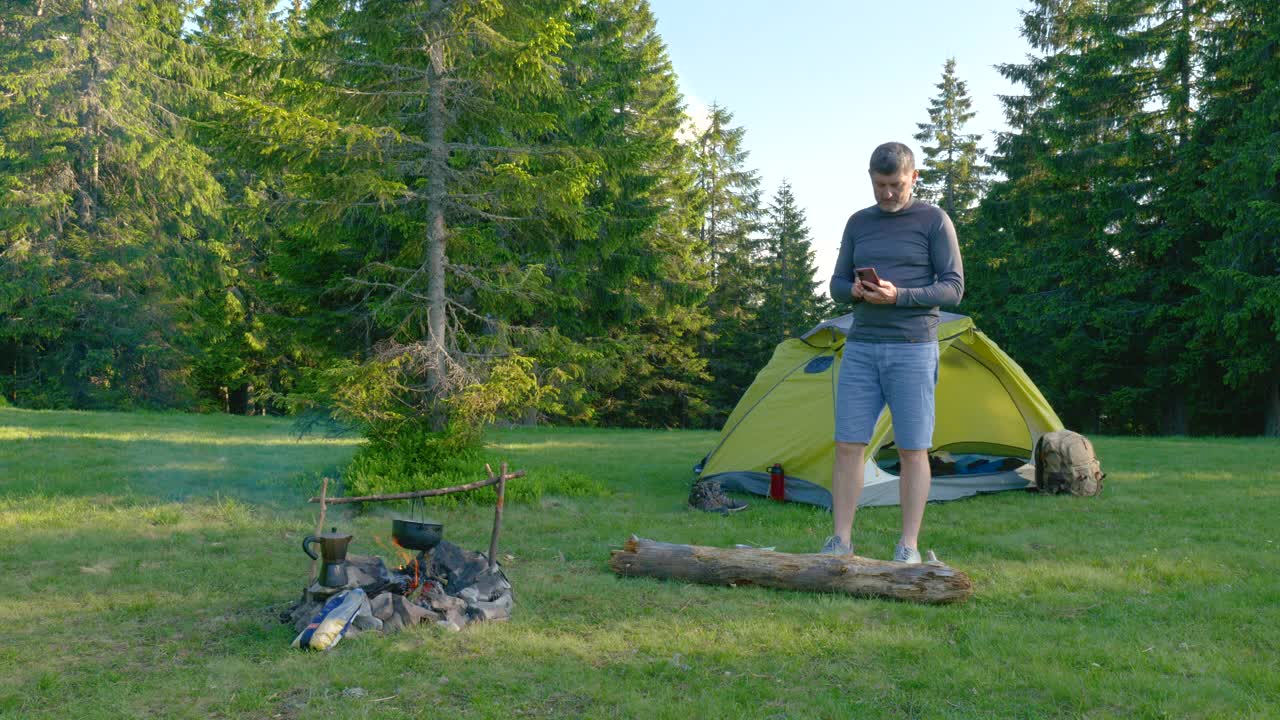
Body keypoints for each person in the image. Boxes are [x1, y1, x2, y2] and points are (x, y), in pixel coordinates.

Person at [821, 142, 964, 562]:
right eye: (880, 184)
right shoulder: (858, 222)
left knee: (912, 449)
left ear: (913, 178)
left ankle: (908, 546)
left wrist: (898, 295)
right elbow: (835, 285)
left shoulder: (934, 220)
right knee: (848, 445)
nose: (887, 193)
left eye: (896, 185)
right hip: (862, 347)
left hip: (914, 348)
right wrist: (857, 291)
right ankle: (840, 541)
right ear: (870, 177)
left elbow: (953, 287)